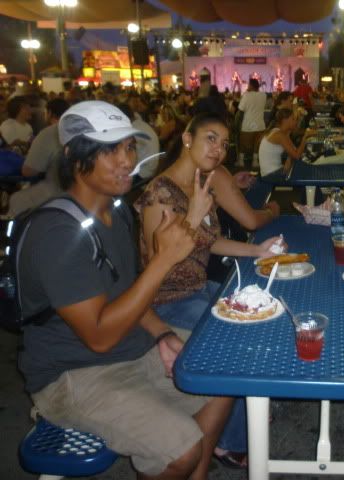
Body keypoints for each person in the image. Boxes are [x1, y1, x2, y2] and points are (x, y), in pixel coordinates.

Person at [17, 100, 233, 479]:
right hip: (73, 375)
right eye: (106, 150)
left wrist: (162, 333)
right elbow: (99, 337)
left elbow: (128, 293)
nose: (124, 160)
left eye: (128, 147)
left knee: (223, 374)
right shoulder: (57, 232)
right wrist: (165, 259)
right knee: (182, 448)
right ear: (72, 155)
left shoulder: (115, 211)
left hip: (130, 350)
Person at [135, 113, 283, 469]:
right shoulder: (159, 193)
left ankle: (250, 403)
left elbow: (209, 241)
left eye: (224, 143)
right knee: (234, 339)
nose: (218, 149)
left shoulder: (200, 184)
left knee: (263, 306)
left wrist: (258, 251)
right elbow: (159, 263)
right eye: (210, 138)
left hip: (199, 288)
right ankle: (229, 441)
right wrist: (193, 215)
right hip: (166, 300)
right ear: (187, 138)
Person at [8, 98, 69, 216]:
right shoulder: (79, 131)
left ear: (50, 113)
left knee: (16, 199)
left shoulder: (48, 133)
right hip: (76, 193)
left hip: (56, 192)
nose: (29, 110)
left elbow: (28, 171)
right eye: (26, 108)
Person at [258, 108, 314, 177]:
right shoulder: (279, 135)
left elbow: (294, 151)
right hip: (271, 175)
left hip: (271, 172)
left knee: (303, 168)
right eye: (293, 119)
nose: (296, 122)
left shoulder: (280, 132)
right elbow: (297, 156)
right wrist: (305, 138)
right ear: (285, 120)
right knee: (306, 172)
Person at [117, 102, 160, 180]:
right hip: (153, 168)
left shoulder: (131, 131)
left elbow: (128, 160)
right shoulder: (142, 124)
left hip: (144, 173)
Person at [238, 78, 267, 168]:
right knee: (256, 144)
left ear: (251, 85)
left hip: (248, 124)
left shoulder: (246, 95)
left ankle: (241, 161)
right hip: (260, 124)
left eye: (248, 85)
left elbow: (241, 110)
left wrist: (238, 123)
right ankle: (255, 161)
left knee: (243, 143)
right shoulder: (264, 95)